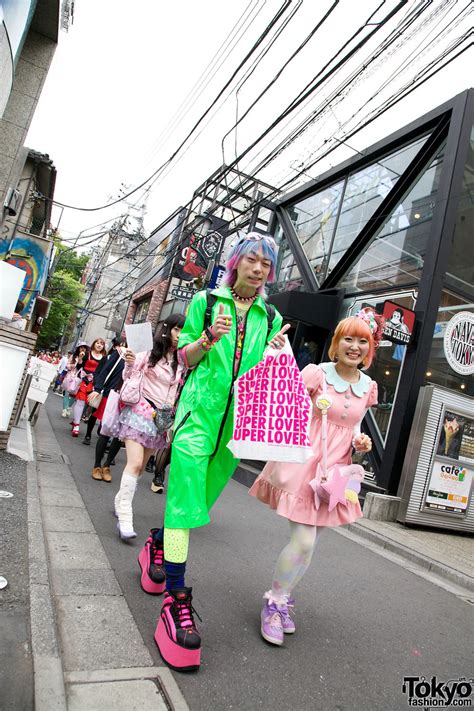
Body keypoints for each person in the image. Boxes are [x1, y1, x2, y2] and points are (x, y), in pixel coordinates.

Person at [141, 232, 289, 673]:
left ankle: (156, 546)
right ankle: (176, 601)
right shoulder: (207, 301)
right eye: (252, 260)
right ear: (236, 261)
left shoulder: (271, 313)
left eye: (266, 263)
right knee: (185, 500)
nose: (259, 269)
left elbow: (263, 372)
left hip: (235, 430)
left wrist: (276, 353)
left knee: (195, 506)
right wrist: (207, 338)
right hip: (197, 418)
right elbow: (183, 358)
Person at [249, 308, 383, 647]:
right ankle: (275, 602)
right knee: (305, 541)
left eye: (362, 341)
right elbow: (282, 399)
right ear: (335, 345)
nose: (355, 346)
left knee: (309, 545)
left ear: (369, 349)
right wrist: (274, 351)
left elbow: (354, 428)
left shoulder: (368, 387)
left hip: (334, 474)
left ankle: (285, 596)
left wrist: (361, 442)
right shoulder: (316, 374)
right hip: (304, 464)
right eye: (348, 339)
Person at [114, 313, 186, 538]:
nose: (179, 335)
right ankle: (125, 517)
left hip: (160, 421)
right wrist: (129, 361)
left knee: (140, 469)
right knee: (134, 464)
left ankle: (119, 501)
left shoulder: (182, 360)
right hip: (139, 412)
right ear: (167, 329)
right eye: (176, 329)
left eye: (184, 331)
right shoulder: (149, 352)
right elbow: (129, 376)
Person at [88, 339, 126, 481]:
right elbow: (104, 371)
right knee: (105, 431)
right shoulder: (120, 353)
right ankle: (97, 465)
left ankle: (107, 465)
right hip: (111, 395)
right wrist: (97, 389)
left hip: (130, 400)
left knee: (119, 435)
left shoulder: (144, 358)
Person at [70, 338, 106, 437]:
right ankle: (76, 425)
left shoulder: (104, 357)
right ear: (94, 344)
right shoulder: (87, 354)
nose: (99, 345)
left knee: (90, 405)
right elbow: (79, 366)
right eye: (97, 343)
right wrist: (80, 359)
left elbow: (104, 372)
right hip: (84, 381)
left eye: (101, 344)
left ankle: (76, 421)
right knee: (80, 402)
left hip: (95, 384)